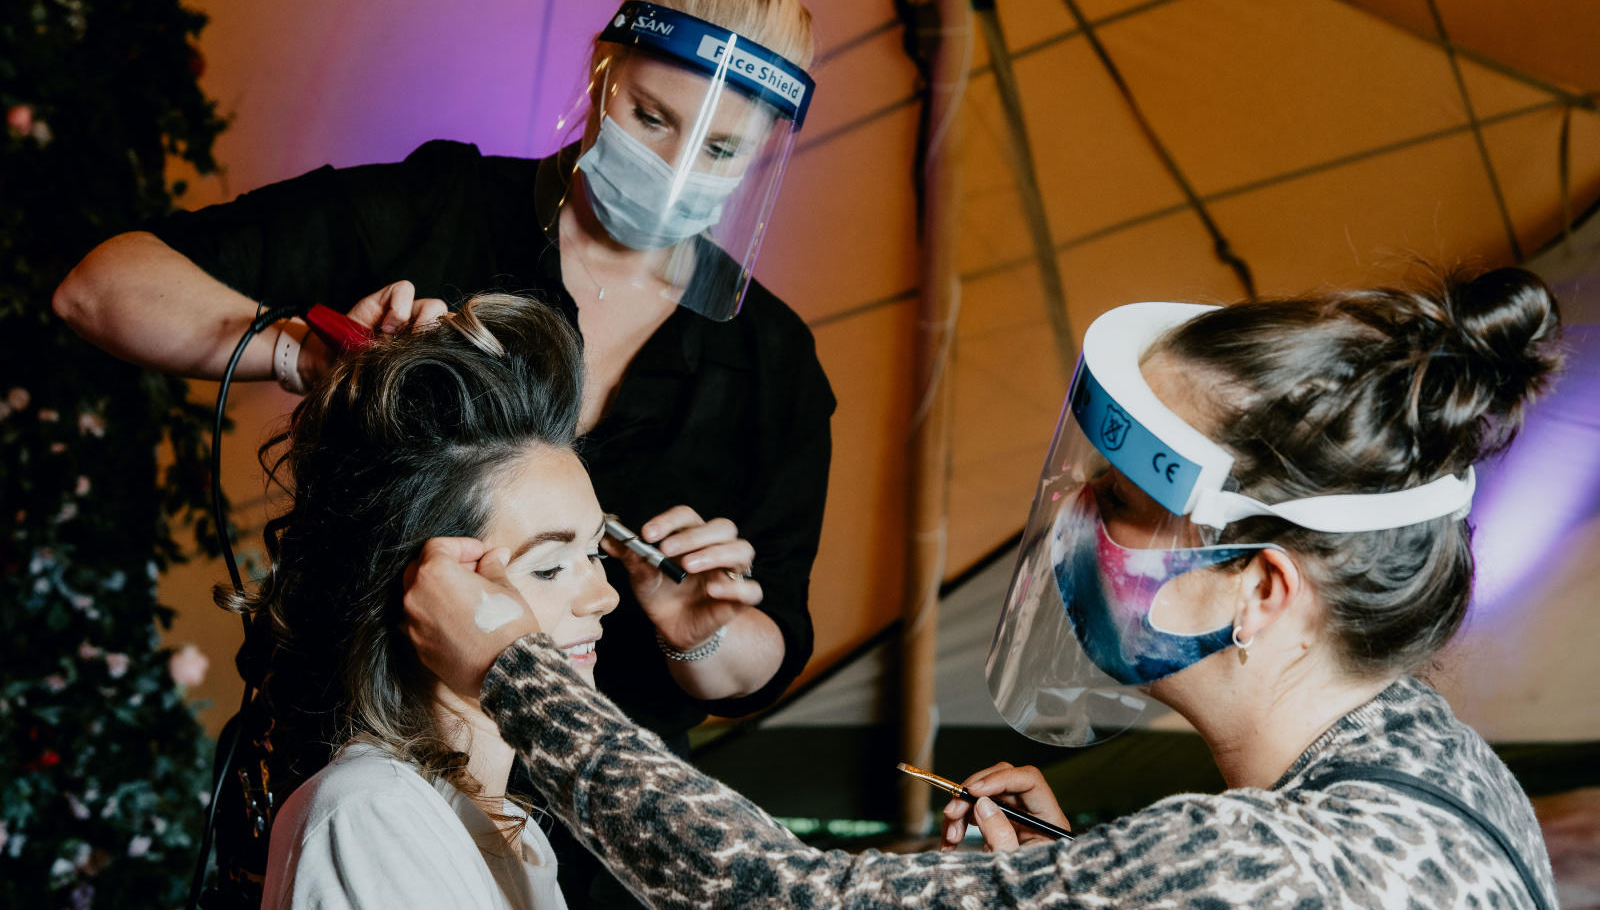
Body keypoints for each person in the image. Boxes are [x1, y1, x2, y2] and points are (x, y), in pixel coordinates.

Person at [52, 0, 831, 904]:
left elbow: (762, 657)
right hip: (349, 759)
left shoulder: (772, 364)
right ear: (601, 71)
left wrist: (701, 631)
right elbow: (99, 289)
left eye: (721, 148)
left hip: (582, 835)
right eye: (651, 119)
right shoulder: (439, 210)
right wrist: (304, 351)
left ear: (765, 148)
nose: (677, 170)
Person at [404, 269, 1561, 909]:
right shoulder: (1443, 768)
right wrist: (1077, 881)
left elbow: (785, 902)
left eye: (1117, 506)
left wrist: (512, 674)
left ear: (1260, 587)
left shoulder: (1258, 865)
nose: (1071, 526)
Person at [240, 293, 763, 910]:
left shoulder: (512, 834)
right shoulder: (372, 815)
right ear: (419, 585)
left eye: (595, 555)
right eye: (547, 567)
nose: (603, 598)